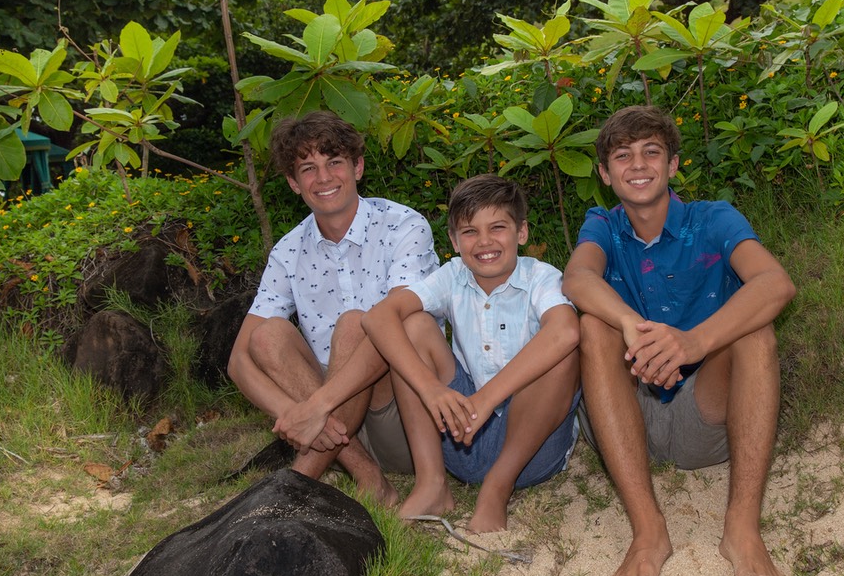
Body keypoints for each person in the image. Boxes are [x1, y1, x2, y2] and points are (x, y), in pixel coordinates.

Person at [561, 105, 796, 576]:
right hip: (626, 418)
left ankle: (742, 530)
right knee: (594, 325)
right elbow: (577, 277)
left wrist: (693, 342)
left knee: (755, 330)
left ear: (672, 165)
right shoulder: (603, 225)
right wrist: (631, 326)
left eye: (651, 152)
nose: (638, 165)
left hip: (703, 416)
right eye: (622, 156)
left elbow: (776, 283)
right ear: (605, 174)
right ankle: (649, 531)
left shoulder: (713, 219)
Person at [227, 111, 449, 506]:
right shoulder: (288, 251)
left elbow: (395, 326)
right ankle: (368, 476)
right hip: (336, 431)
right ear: (294, 183)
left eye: (334, 162)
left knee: (356, 324)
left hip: (404, 419)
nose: (323, 177)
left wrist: (316, 407)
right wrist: (294, 413)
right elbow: (239, 362)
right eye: (308, 169)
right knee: (266, 336)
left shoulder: (404, 226)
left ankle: (296, 483)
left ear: (357, 167)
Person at [360, 174, 580, 532]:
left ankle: (497, 489)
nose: (485, 242)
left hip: (533, 450)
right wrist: (431, 390)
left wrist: (485, 400)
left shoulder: (540, 278)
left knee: (562, 351)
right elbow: (377, 318)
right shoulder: (452, 276)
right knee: (413, 324)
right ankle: (432, 483)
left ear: (521, 232)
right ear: (454, 240)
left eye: (498, 228)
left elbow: (567, 331)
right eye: (470, 232)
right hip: (461, 435)